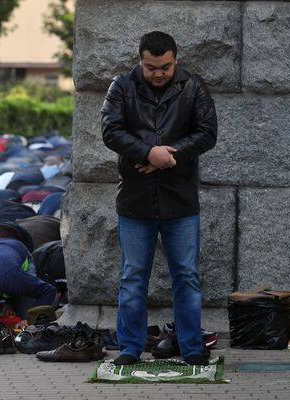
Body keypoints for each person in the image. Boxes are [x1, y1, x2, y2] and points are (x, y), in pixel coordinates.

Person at [101, 31, 217, 366]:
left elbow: (208, 132)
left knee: (187, 275)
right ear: (141, 60)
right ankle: (130, 348)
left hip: (180, 199)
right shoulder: (121, 86)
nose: (158, 73)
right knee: (133, 276)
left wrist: (171, 154)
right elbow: (110, 130)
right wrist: (148, 152)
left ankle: (192, 347)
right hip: (135, 199)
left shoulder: (194, 87)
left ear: (175, 59)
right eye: (151, 67)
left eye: (164, 66)